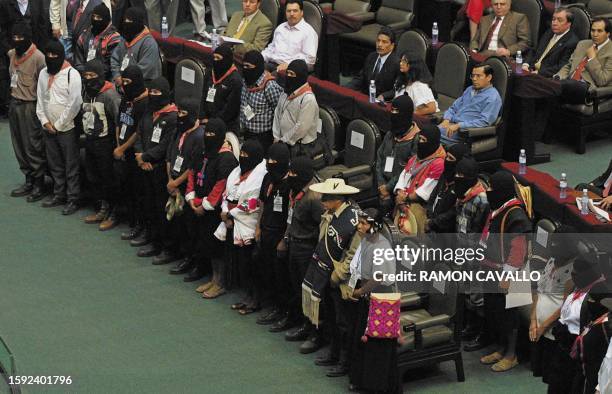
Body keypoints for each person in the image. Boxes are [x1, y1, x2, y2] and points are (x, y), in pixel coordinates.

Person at [302, 178, 361, 376]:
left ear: (338, 199)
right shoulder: (329, 214)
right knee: (332, 317)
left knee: (344, 322)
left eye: (327, 197)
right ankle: (334, 353)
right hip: (324, 271)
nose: (322, 200)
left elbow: (354, 254)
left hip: (342, 279)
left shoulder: (353, 219)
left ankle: (345, 362)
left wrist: (338, 275)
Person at [478, 171, 532, 372]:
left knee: (510, 316)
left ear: (501, 190)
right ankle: (501, 349)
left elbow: (518, 251)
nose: (487, 191)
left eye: (490, 188)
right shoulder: (498, 208)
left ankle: (512, 355)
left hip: (512, 275)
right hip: (492, 267)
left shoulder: (516, 215)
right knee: (497, 312)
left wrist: (507, 277)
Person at [347, 208, 399, 394]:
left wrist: (360, 291)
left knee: (377, 344)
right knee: (362, 341)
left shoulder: (382, 246)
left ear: (374, 226)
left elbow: (378, 277)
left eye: (364, 223)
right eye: (359, 222)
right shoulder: (367, 240)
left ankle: (377, 386)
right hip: (367, 297)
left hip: (380, 298)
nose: (359, 226)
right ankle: (361, 380)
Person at [184, 118, 238, 296]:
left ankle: (220, 282)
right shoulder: (202, 151)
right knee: (207, 245)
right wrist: (192, 198)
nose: (208, 137)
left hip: (215, 211)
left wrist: (205, 205)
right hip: (199, 205)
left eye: (212, 134)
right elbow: (192, 172)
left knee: (217, 249)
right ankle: (213, 278)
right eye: (207, 133)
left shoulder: (227, 158)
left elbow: (222, 185)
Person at [36, 40, 82, 215]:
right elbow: (40, 99)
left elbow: (75, 103)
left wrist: (59, 124)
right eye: (48, 55)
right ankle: (58, 194)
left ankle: (73, 199)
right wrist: (45, 122)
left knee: (71, 165)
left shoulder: (72, 74)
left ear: (62, 56)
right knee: (54, 164)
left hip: (67, 128)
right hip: (48, 127)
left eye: (55, 55)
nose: (51, 58)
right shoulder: (42, 74)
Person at [134, 76, 177, 259]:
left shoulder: (173, 117)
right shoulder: (148, 111)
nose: (153, 95)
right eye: (151, 92)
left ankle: (165, 247)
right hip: (144, 165)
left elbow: (166, 145)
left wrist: (146, 156)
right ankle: (151, 238)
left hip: (159, 168)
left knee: (161, 209)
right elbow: (139, 133)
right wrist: (140, 155)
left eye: (157, 92)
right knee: (148, 205)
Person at [547, 257, 605, 393]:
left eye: (576, 273)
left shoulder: (597, 297)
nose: (573, 275)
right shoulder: (575, 287)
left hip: (578, 352)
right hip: (562, 347)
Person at [160, 99, 205, 270]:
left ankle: (193, 261)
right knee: (178, 224)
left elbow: (193, 165)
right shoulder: (179, 131)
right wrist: (170, 180)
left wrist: (177, 183)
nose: (180, 116)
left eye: (184, 113)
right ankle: (180, 253)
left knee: (191, 227)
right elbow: (170, 156)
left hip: (188, 187)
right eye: (178, 112)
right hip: (174, 184)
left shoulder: (199, 136)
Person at [280, 157, 324, 336]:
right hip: (294, 244)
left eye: (292, 173)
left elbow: (321, 227)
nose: (289, 176)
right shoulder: (296, 190)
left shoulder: (314, 197)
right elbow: (291, 218)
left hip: (307, 248)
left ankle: (310, 328)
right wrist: (285, 238)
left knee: (307, 289)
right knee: (295, 286)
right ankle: (296, 318)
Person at [530, 225, 578, 386]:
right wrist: (533, 321)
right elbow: (539, 290)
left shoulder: (574, 270)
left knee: (553, 379)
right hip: (539, 327)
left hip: (552, 331)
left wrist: (544, 326)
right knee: (541, 374)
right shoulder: (552, 260)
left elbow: (565, 306)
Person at [223, 140, 267, 314]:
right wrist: (226, 210)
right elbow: (227, 195)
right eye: (241, 154)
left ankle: (255, 301)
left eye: (247, 156)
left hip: (250, 226)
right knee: (243, 266)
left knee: (253, 267)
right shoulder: (236, 172)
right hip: (234, 223)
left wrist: (229, 213)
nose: (242, 158)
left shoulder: (261, 175)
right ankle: (247, 297)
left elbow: (254, 203)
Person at [7, 23, 47, 202]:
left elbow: (44, 85)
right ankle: (28, 179)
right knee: (19, 145)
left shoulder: (39, 58)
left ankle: (39, 182)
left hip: (30, 107)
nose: (17, 41)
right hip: (14, 104)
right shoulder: (11, 54)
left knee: (32, 145)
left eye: (20, 38)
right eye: (14, 38)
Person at [81, 59, 121, 231]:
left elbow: (118, 121)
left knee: (108, 180)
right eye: (86, 75)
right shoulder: (87, 92)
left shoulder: (110, 95)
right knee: (93, 177)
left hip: (106, 143)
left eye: (92, 75)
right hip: (90, 140)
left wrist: (118, 146)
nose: (88, 79)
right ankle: (103, 209)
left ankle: (114, 213)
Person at [254, 143, 291, 325]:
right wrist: (258, 227)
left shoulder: (289, 184)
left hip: (279, 235)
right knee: (265, 270)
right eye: (269, 160)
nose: (270, 163)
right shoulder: (268, 177)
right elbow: (262, 203)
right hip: (266, 230)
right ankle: (266, 303)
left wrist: (284, 239)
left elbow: (290, 216)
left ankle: (281, 309)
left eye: (274, 161)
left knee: (280, 276)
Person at [114, 65, 149, 242]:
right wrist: (118, 145)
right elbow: (118, 121)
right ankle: (131, 220)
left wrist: (123, 147)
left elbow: (138, 132)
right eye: (123, 82)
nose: (125, 85)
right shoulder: (125, 99)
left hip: (134, 154)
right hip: (122, 152)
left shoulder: (144, 103)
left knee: (139, 192)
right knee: (127, 188)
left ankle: (140, 226)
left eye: (128, 82)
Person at [393, 124, 447, 236]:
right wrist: (399, 192)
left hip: (419, 206)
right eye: (420, 138)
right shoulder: (416, 157)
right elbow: (404, 176)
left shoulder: (439, 163)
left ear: (432, 142)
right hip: (404, 200)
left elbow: (426, 192)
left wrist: (405, 198)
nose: (420, 142)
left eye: (424, 140)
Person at [375, 95, 421, 214]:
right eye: (392, 110)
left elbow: (408, 169)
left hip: (397, 188)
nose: (393, 114)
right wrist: (381, 184)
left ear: (406, 113)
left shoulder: (416, 139)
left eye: (396, 111)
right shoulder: (391, 133)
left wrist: (388, 187)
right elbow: (379, 157)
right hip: (381, 184)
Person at [438, 63, 502, 145]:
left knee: (427, 135)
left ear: (489, 77)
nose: (474, 79)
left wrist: (459, 125)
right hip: (450, 125)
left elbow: (484, 122)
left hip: (464, 133)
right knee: (425, 131)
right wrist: (446, 119)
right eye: (473, 76)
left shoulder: (493, 97)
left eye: (478, 76)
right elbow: (453, 107)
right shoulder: (469, 89)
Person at [272, 59, 319, 158]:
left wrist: (283, 141)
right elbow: (277, 113)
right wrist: (276, 136)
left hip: (299, 147)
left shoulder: (308, 99)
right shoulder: (286, 92)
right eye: (287, 73)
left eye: (292, 74)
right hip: (281, 142)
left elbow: (301, 127)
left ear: (301, 76)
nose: (288, 76)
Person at [240, 50, 283, 152]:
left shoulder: (270, 86)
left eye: (248, 66)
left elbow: (279, 112)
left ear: (257, 66)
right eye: (244, 66)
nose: (245, 69)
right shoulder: (245, 81)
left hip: (263, 138)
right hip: (246, 133)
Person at [555, 18, 612, 92]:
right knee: (540, 84)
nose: (595, 34)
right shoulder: (582, 44)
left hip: (588, 89)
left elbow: (602, 80)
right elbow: (569, 65)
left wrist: (592, 59)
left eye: (599, 31)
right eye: (593, 30)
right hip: (568, 83)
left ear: (608, 33)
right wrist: (558, 77)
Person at [424, 143, 470, 236]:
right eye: (447, 157)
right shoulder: (445, 175)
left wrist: (433, 223)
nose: (447, 161)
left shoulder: (462, 184)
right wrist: (429, 214)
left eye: (451, 158)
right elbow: (433, 195)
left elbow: (453, 212)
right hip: (431, 221)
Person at [261, 0, 318, 72]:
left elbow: (310, 59)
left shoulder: (308, 32)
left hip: (291, 69)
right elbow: (271, 48)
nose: (291, 14)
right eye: (289, 11)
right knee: (251, 66)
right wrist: (259, 58)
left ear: (302, 13)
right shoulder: (280, 28)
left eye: (295, 11)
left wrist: (289, 64)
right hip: (271, 64)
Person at [522, 7, 579, 78]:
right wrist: (525, 64)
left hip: (545, 77)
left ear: (569, 24)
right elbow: (534, 50)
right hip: (530, 69)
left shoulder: (572, 42)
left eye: (559, 20)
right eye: (553, 19)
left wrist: (539, 73)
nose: (554, 23)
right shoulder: (549, 32)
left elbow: (561, 67)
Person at [111, 7, 162, 84]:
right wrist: (117, 75)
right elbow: (114, 58)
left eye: (130, 21)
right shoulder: (124, 38)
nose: (126, 23)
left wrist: (125, 81)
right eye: (125, 20)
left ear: (138, 22)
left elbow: (145, 70)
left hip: (142, 84)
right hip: (120, 82)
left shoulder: (149, 43)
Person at [200, 43, 243, 132]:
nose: (215, 61)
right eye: (214, 57)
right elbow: (203, 95)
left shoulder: (235, 80)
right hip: (205, 120)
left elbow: (230, 109)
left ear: (226, 59)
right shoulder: (210, 73)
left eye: (218, 58)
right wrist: (202, 116)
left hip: (224, 125)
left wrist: (212, 122)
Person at [347, 27, 399, 98]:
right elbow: (361, 78)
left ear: (392, 46)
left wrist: (384, 96)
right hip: (365, 98)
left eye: (384, 42)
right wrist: (346, 88)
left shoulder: (397, 64)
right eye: (378, 41)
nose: (380, 44)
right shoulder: (371, 56)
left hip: (383, 103)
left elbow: (397, 89)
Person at [73, 3, 121, 79]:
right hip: (85, 77)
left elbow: (110, 66)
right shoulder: (84, 35)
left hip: (105, 80)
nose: (95, 19)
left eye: (98, 17)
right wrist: (86, 75)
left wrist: (94, 76)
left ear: (106, 19)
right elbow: (78, 62)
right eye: (93, 16)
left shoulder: (114, 38)